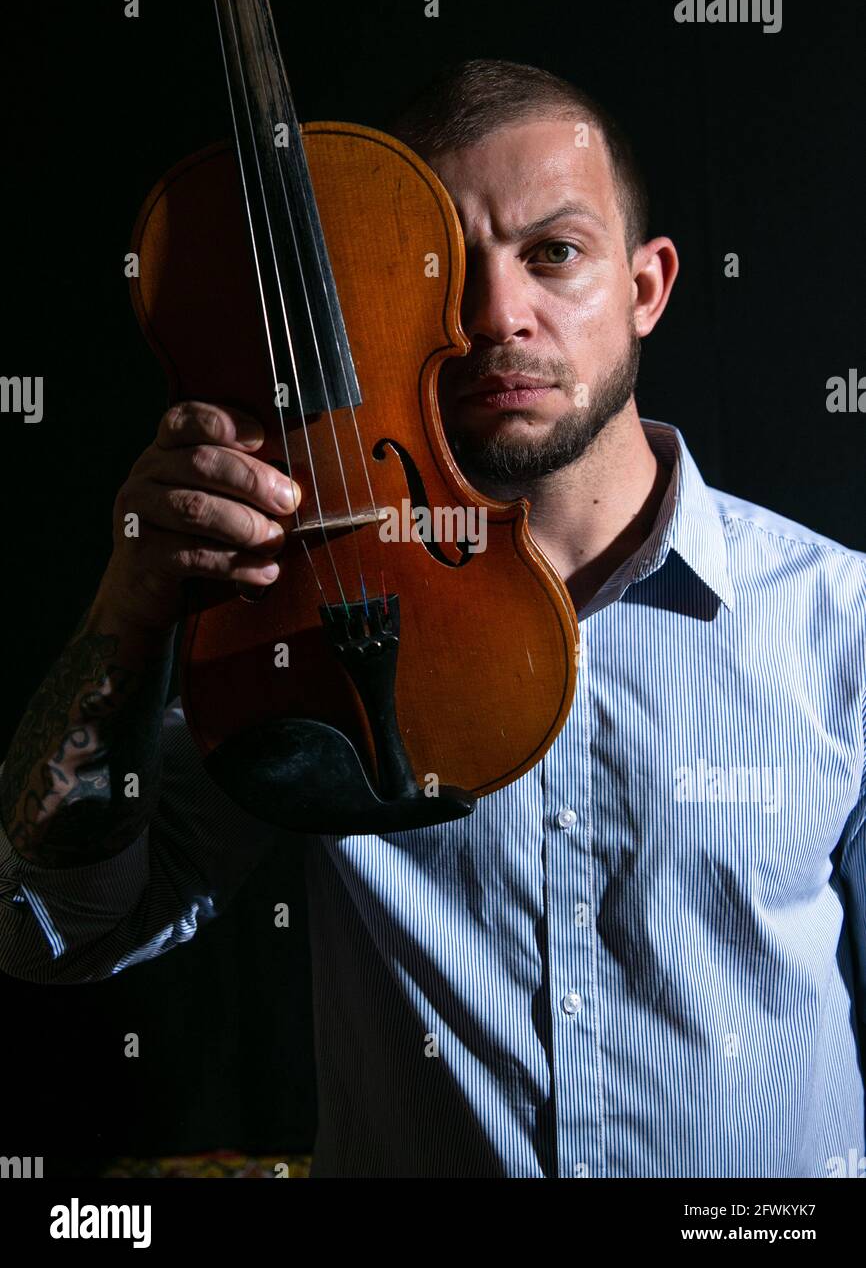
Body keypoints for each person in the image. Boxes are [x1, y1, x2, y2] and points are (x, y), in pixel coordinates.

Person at [1, 60, 863, 1179]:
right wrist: (134, 604)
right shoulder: (316, 615)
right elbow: (46, 927)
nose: (497, 315)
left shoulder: (836, 620)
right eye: (446, 269)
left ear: (645, 287)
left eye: (553, 252)